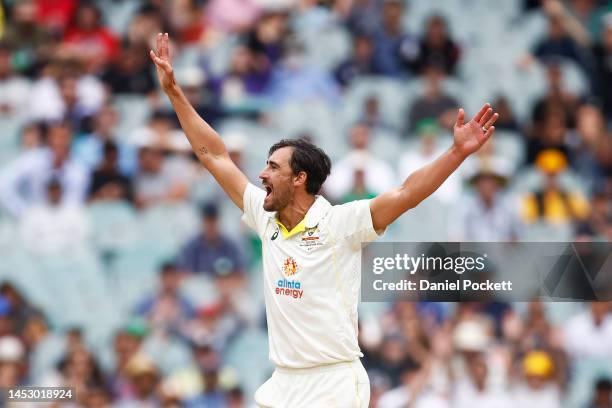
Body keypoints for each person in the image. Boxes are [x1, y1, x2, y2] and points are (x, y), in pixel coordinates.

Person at [149, 32, 499, 407]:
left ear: (299, 179)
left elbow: (407, 193)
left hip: (334, 382)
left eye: (272, 167)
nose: (261, 175)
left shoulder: (341, 223)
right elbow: (214, 156)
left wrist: (456, 153)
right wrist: (174, 93)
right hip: (283, 382)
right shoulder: (265, 217)